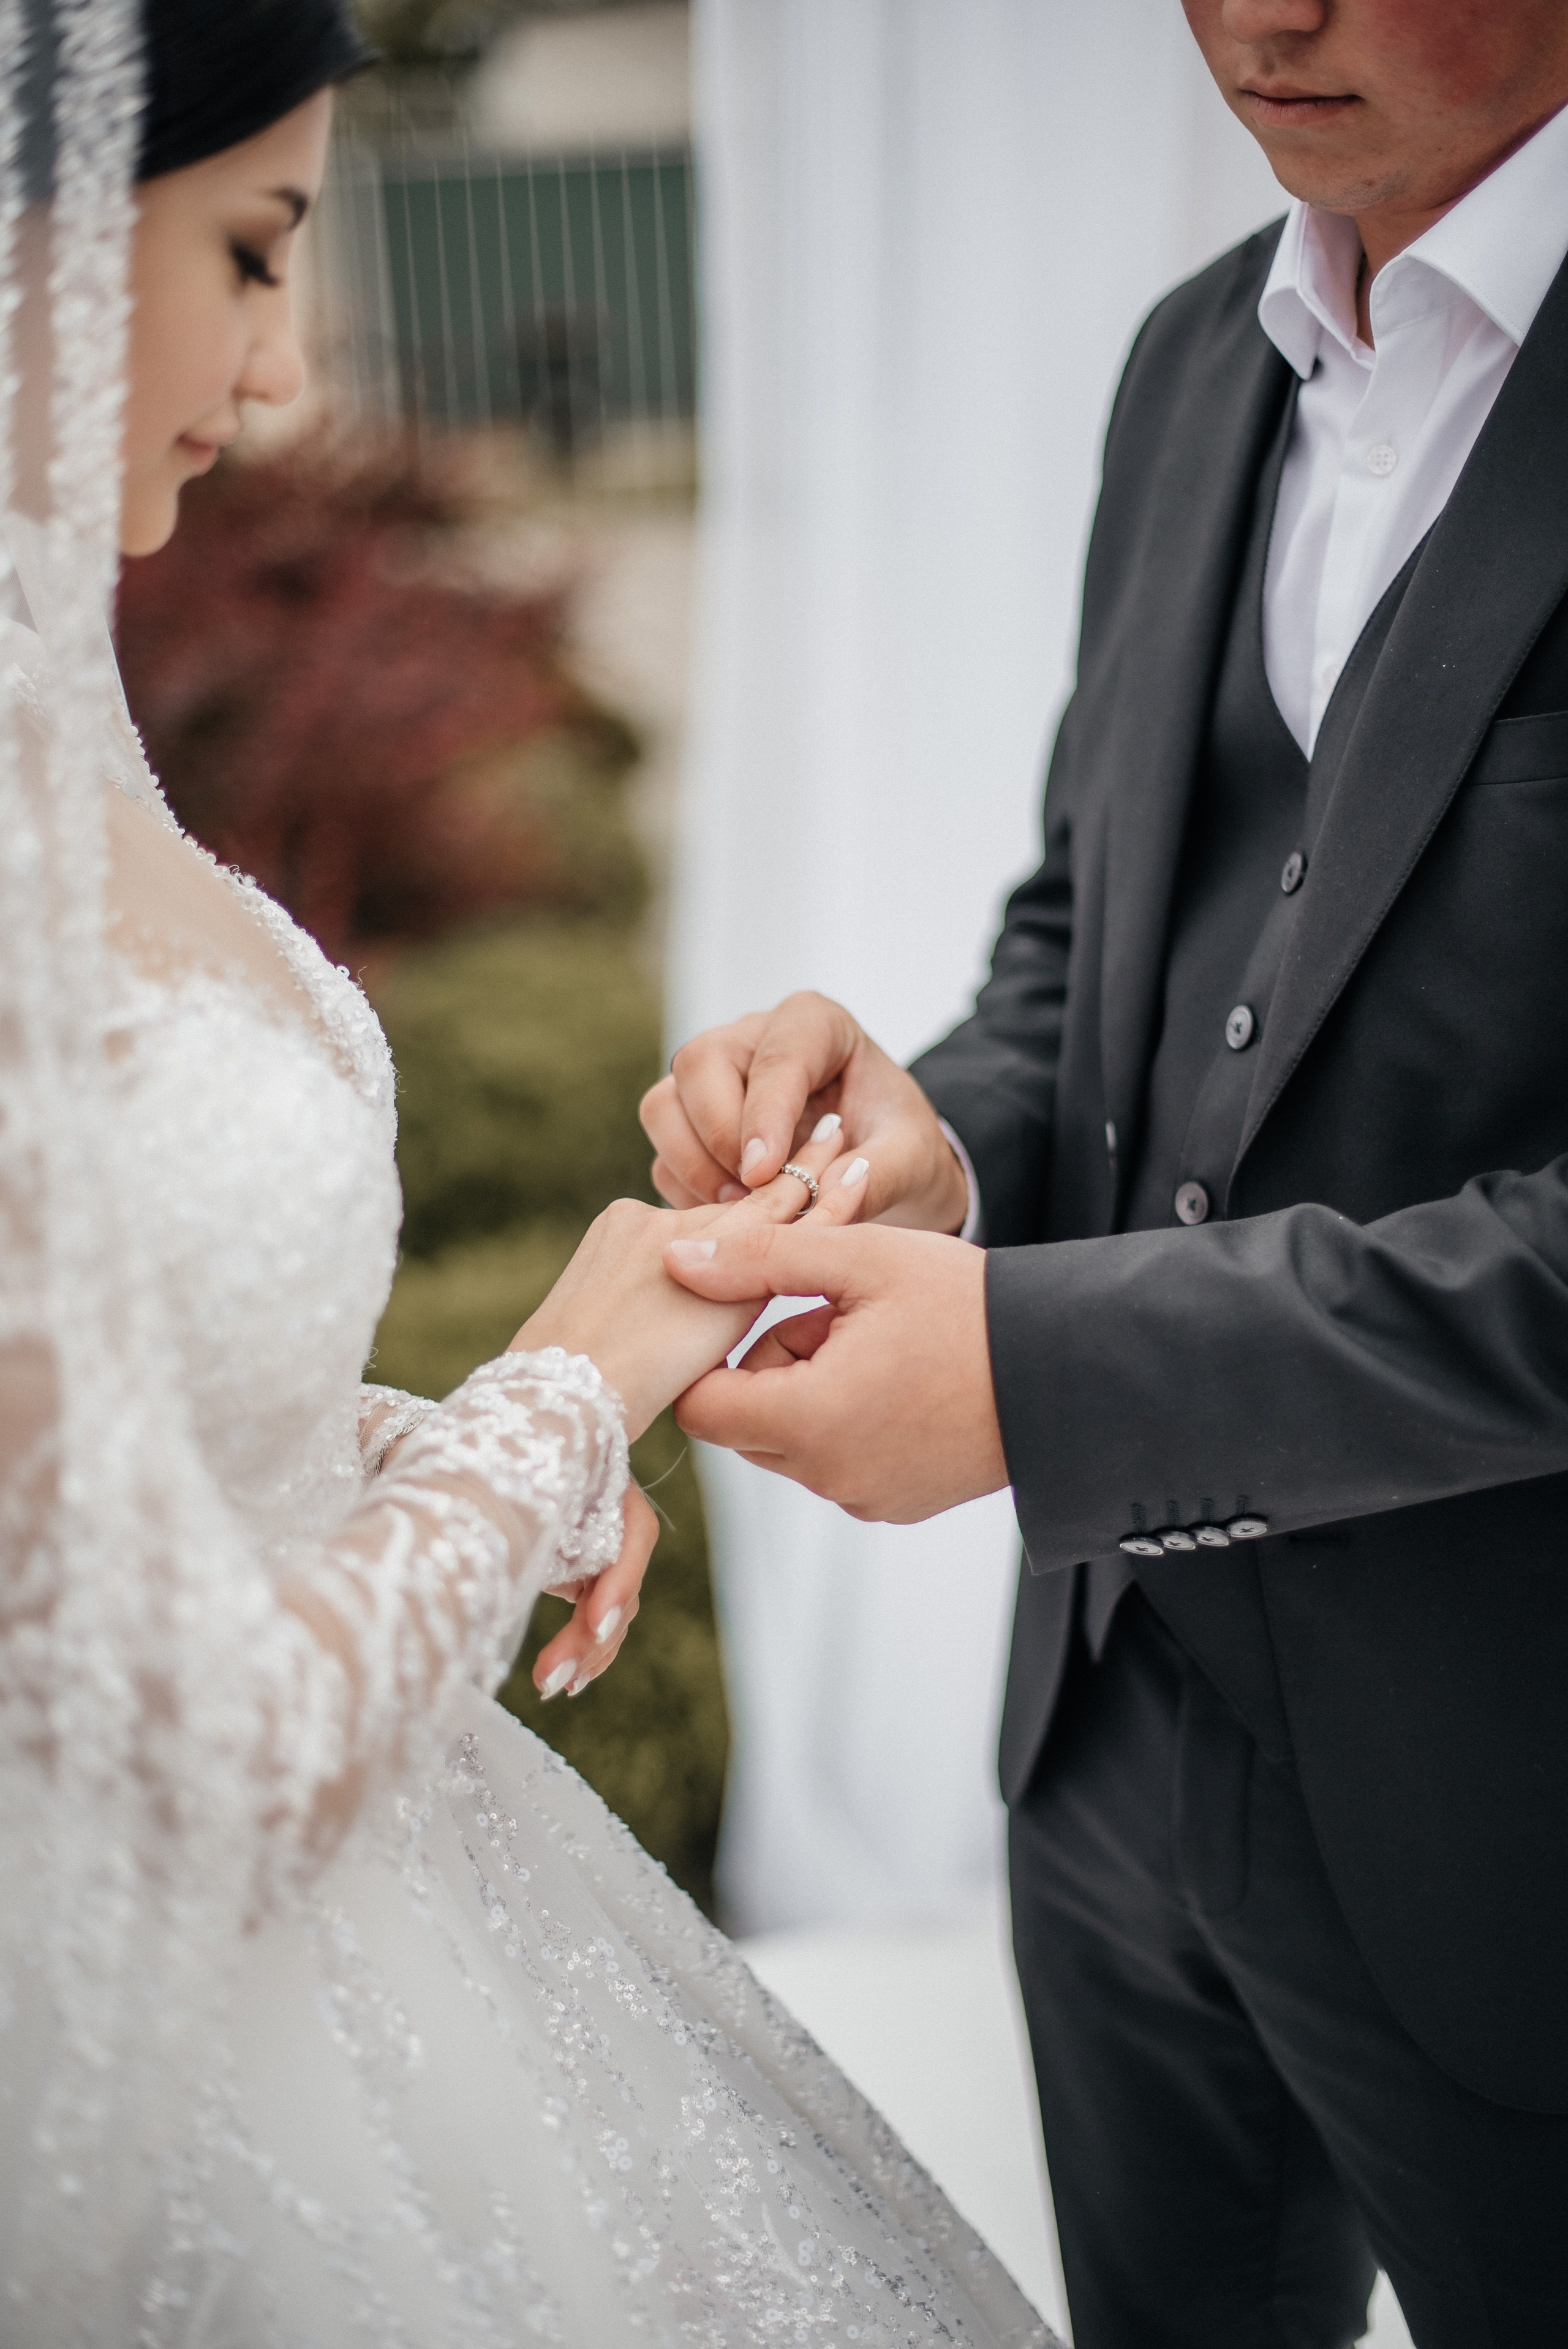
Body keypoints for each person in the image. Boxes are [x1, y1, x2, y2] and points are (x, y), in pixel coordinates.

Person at [0, 5, 1057, 2341]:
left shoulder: (37, 687)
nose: (277, 373)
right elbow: (205, 1762)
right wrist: (573, 1383)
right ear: (42, 227)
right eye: (254, 252)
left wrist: (390, 1445)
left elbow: (71, 1447)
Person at [646, 2, 1568, 2342]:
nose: (1268, 14)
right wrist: (916, 1126)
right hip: (1107, 1734)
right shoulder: (1192, 364)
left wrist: (1045, 1374)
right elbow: (1100, 930)